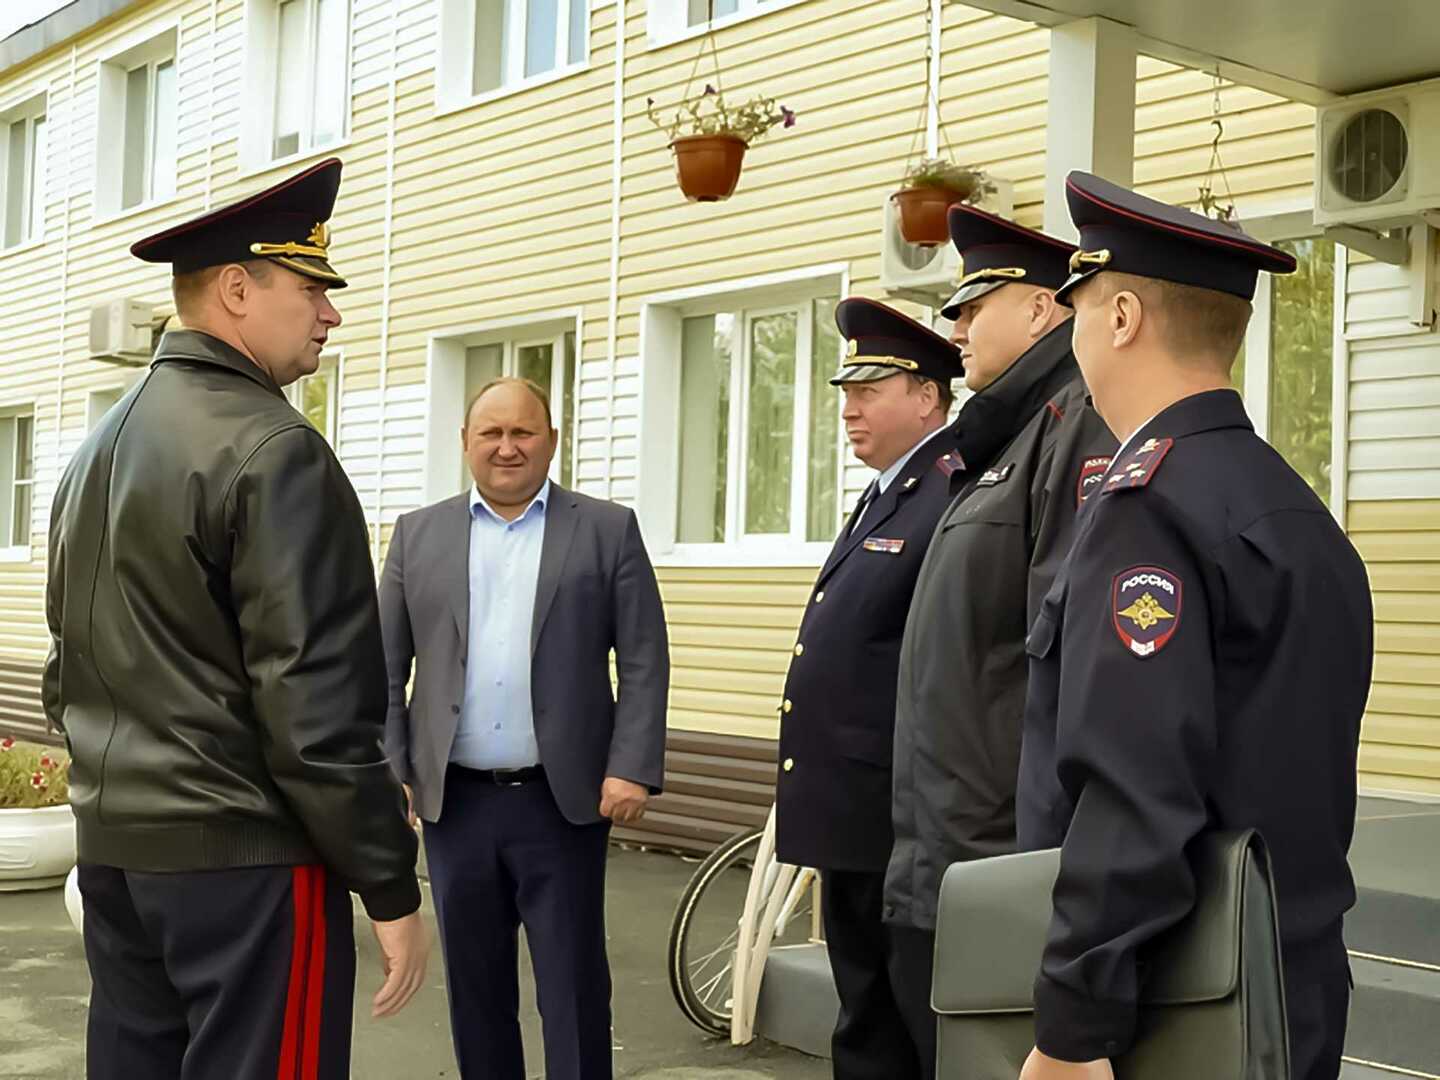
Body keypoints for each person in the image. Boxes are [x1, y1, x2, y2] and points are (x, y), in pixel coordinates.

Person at [43, 158, 428, 1080]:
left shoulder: (93, 450)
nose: (331, 313)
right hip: (246, 862)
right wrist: (388, 881)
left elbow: (68, 671)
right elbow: (316, 710)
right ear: (238, 290)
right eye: (311, 288)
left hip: (119, 858)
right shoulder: (276, 447)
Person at [1015, 171, 1373, 1080]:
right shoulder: (1296, 512)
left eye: (1080, 308)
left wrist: (1072, 1029)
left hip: (1172, 1007)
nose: (1076, 332)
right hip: (1288, 987)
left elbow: (1136, 791)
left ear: (1124, 316)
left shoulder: (1148, 508)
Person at [378, 376, 669, 1080]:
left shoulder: (605, 529)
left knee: (571, 986)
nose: (507, 448)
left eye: (523, 432)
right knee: (476, 990)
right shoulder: (418, 535)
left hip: (560, 803)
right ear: (465, 444)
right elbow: (382, 671)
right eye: (491, 434)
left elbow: (643, 656)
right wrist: (393, 773)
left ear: (552, 441)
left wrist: (630, 763)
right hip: (456, 805)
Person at [884, 206, 1116, 1069]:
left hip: (997, 864)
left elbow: (1065, 671)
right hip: (941, 853)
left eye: (977, 303)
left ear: (1044, 310)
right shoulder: (1001, 438)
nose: (957, 324)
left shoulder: (1073, 426)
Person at [774, 297, 965, 1080]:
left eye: (868, 391)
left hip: (897, 820)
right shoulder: (893, 489)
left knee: (903, 1023)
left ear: (926, 396)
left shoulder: (949, 491)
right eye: (845, 393)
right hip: (858, 818)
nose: (848, 409)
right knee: (866, 1018)